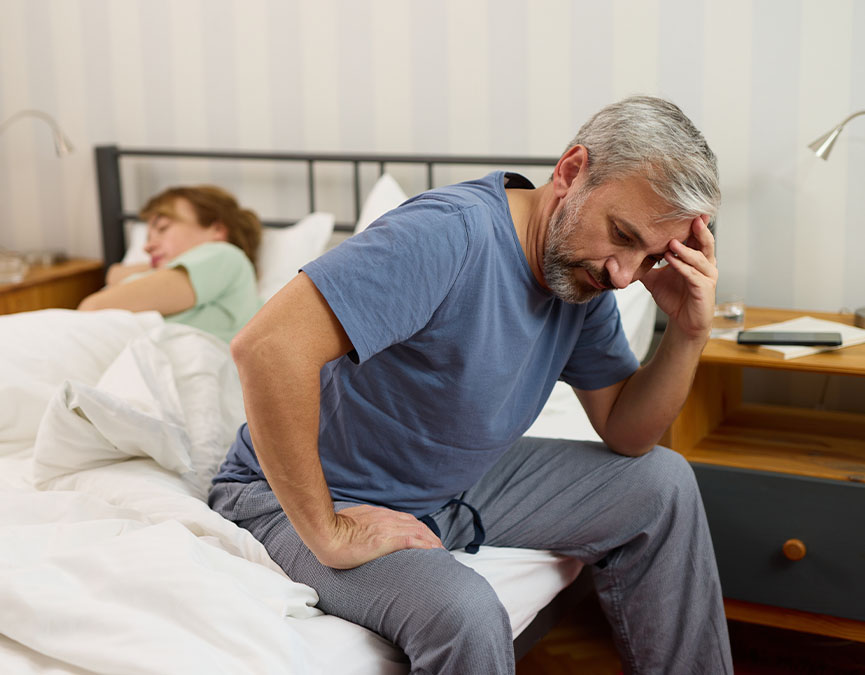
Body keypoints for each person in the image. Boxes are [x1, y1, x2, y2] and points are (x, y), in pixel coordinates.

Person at [209, 96, 733, 674]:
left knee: (661, 482)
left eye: (649, 256)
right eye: (621, 234)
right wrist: (329, 532)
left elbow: (627, 434)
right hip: (303, 498)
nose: (624, 274)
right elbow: (265, 347)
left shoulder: (583, 279)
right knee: (466, 611)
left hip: (452, 485)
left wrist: (687, 333)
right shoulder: (449, 235)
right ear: (570, 171)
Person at [78, 185, 261, 343]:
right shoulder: (186, 274)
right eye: (148, 236)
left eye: (163, 228)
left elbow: (93, 309)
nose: (147, 246)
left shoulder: (224, 255)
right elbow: (114, 274)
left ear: (217, 231)